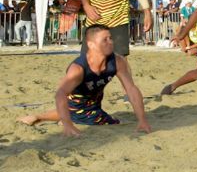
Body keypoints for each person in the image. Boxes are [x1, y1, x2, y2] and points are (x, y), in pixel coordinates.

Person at [17, 25, 152, 136]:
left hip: (92, 103)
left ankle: (40, 117)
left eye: (110, 38)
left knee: (84, 111)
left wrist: (142, 120)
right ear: (91, 45)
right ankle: (58, 119)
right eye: (104, 40)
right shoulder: (78, 68)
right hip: (77, 103)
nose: (110, 42)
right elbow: (60, 94)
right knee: (114, 122)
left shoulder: (117, 61)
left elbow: (131, 89)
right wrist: (68, 126)